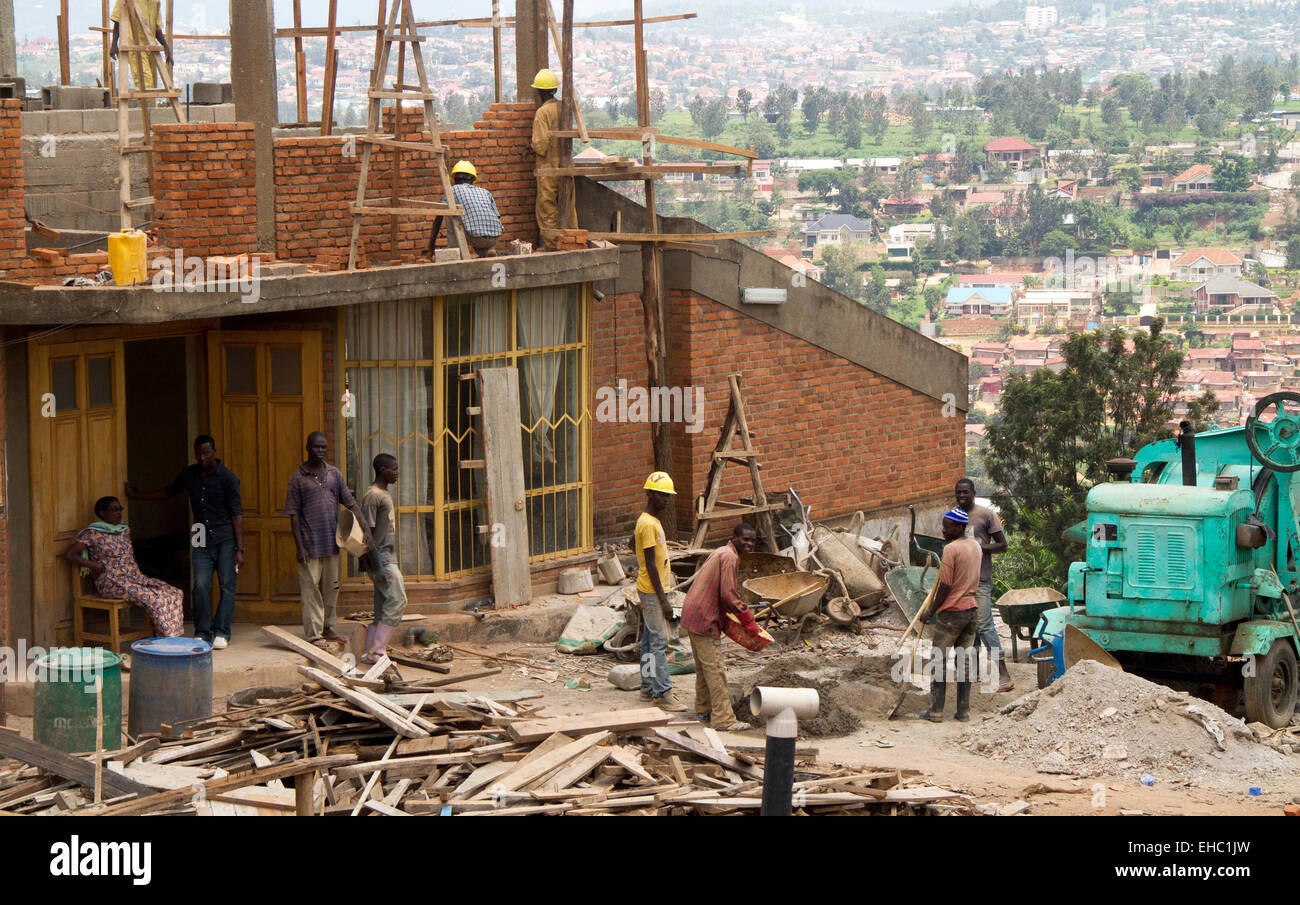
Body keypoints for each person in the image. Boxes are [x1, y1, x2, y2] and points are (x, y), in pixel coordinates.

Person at [126, 435, 244, 649]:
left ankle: (222, 632)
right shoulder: (189, 474)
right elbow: (167, 492)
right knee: (200, 586)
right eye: (198, 453)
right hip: (199, 534)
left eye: (206, 453)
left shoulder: (228, 478)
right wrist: (137, 496)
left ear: (214, 451)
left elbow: (236, 513)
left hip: (225, 537)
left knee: (227, 586)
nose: (202, 458)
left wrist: (240, 548)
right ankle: (202, 631)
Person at [286, 431, 374, 651]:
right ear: (307, 448)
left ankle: (328, 627)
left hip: (332, 542)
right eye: (316, 447)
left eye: (324, 448)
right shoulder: (297, 478)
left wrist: (366, 531)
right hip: (308, 544)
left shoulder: (335, 475)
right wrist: (299, 546)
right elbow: (293, 515)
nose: (320, 451)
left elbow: (351, 503)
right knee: (310, 590)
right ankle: (313, 634)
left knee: (331, 587)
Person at [60, 496, 184, 638]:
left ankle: (167, 636)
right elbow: (70, 554)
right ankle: (168, 640)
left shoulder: (124, 530)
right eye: (114, 510)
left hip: (134, 579)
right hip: (112, 582)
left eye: (120, 509)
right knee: (154, 599)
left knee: (174, 593)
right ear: (102, 513)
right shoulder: (93, 533)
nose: (119, 512)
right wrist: (93, 565)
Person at [680, 523, 761, 730]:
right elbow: (728, 595)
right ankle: (724, 719)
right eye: (745, 539)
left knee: (703, 667)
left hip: (693, 613)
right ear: (734, 537)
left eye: (752, 540)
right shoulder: (730, 557)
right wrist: (748, 621)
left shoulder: (720, 551)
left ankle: (703, 710)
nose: (749, 544)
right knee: (715, 669)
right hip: (704, 617)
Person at [918, 507, 982, 722]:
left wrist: (930, 611)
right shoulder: (976, 546)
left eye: (947, 527)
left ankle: (935, 711)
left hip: (952, 613)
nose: (943, 531)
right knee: (964, 663)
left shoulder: (951, 549)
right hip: (972, 610)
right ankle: (963, 711)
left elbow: (945, 585)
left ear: (959, 527)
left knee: (939, 660)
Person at [635, 471, 687, 711]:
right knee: (658, 642)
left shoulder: (652, 522)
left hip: (650, 590)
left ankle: (647, 687)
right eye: (662, 495)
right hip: (652, 591)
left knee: (648, 640)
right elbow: (650, 564)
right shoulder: (647, 524)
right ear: (650, 495)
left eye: (668, 495)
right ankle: (662, 693)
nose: (666, 500)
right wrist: (663, 600)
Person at [954, 477, 1013, 692]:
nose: (962, 496)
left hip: (981, 579)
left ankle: (1003, 674)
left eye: (965, 493)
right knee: (971, 627)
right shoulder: (953, 517)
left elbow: (1002, 545)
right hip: (962, 582)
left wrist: (980, 548)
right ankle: (974, 671)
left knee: (985, 625)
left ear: (973, 493)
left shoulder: (985, 515)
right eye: (958, 493)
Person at [358, 453, 406, 664]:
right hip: (382, 558)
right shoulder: (373, 496)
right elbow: (366, 532)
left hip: (387, 556)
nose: (397, 473)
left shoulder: (382, 493)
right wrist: (374, 562)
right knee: (397, 600)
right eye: (393, 469)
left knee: (382, 604)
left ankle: (370, 651)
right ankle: (377, 651)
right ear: (381, 470)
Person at [530, 68, 578, 251]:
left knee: (547, 208)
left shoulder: (542, 112)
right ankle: (572, 242)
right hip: (566, 166)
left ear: (540, 92)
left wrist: (531, 146)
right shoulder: (564, 108)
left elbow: (541, 145)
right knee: (568, 206)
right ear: (555, 90)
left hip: (548, 168)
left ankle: (553, 246)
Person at [109, 0, 172, 91]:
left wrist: (166, 46)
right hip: (135, 45)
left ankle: (147, 104)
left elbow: (157, 28)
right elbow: (118, 21)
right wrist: (114, 44)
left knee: (153, 84)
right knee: (146, 83)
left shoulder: (155, 1)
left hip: (151, 46)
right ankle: (145, 102)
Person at [450, 160, 502, 257]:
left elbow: (439, 217)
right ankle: (488, 250)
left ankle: (456, 254)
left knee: (450, 212)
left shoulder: (452, 190)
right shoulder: (485, 192)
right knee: (475, 225)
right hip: (496, 236)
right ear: (473, 179)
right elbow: (497, 216)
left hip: (475, 237)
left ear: (455, 178)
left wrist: (430, 247)